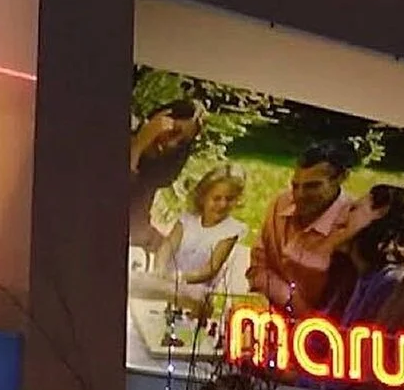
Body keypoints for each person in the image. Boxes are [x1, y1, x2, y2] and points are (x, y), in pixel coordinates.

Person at [246, 141, 358, 315]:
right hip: (270, 312)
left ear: (341, 177)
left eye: (312, 186)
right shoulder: (281, 203)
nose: (299, 195)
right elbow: (257, 269)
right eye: (295, 186)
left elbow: (345, 301)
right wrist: (289, 299)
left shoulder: (352, 224)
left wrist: (305, 318)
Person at [153, 164, 247, 295]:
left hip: (197, 291)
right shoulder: (187, 221)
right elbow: (167, 246)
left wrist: (181, 277)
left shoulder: (230, 231)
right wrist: (160, 268)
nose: (223, 204)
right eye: (217, 198)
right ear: (203, 198)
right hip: (167, 282)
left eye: (229, 199)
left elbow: (211, 269)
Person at [336, 185, 404, 327]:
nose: (340, 217)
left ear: (379, 218)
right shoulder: (358, 275)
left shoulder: (390, 283)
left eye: (353, 209)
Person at [130, 99, 204, 252]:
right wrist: (138, 145)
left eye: (181, 143)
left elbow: (136, 226)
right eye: (174, 131)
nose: (172, 143)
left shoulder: (149, 170)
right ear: (162, 117)